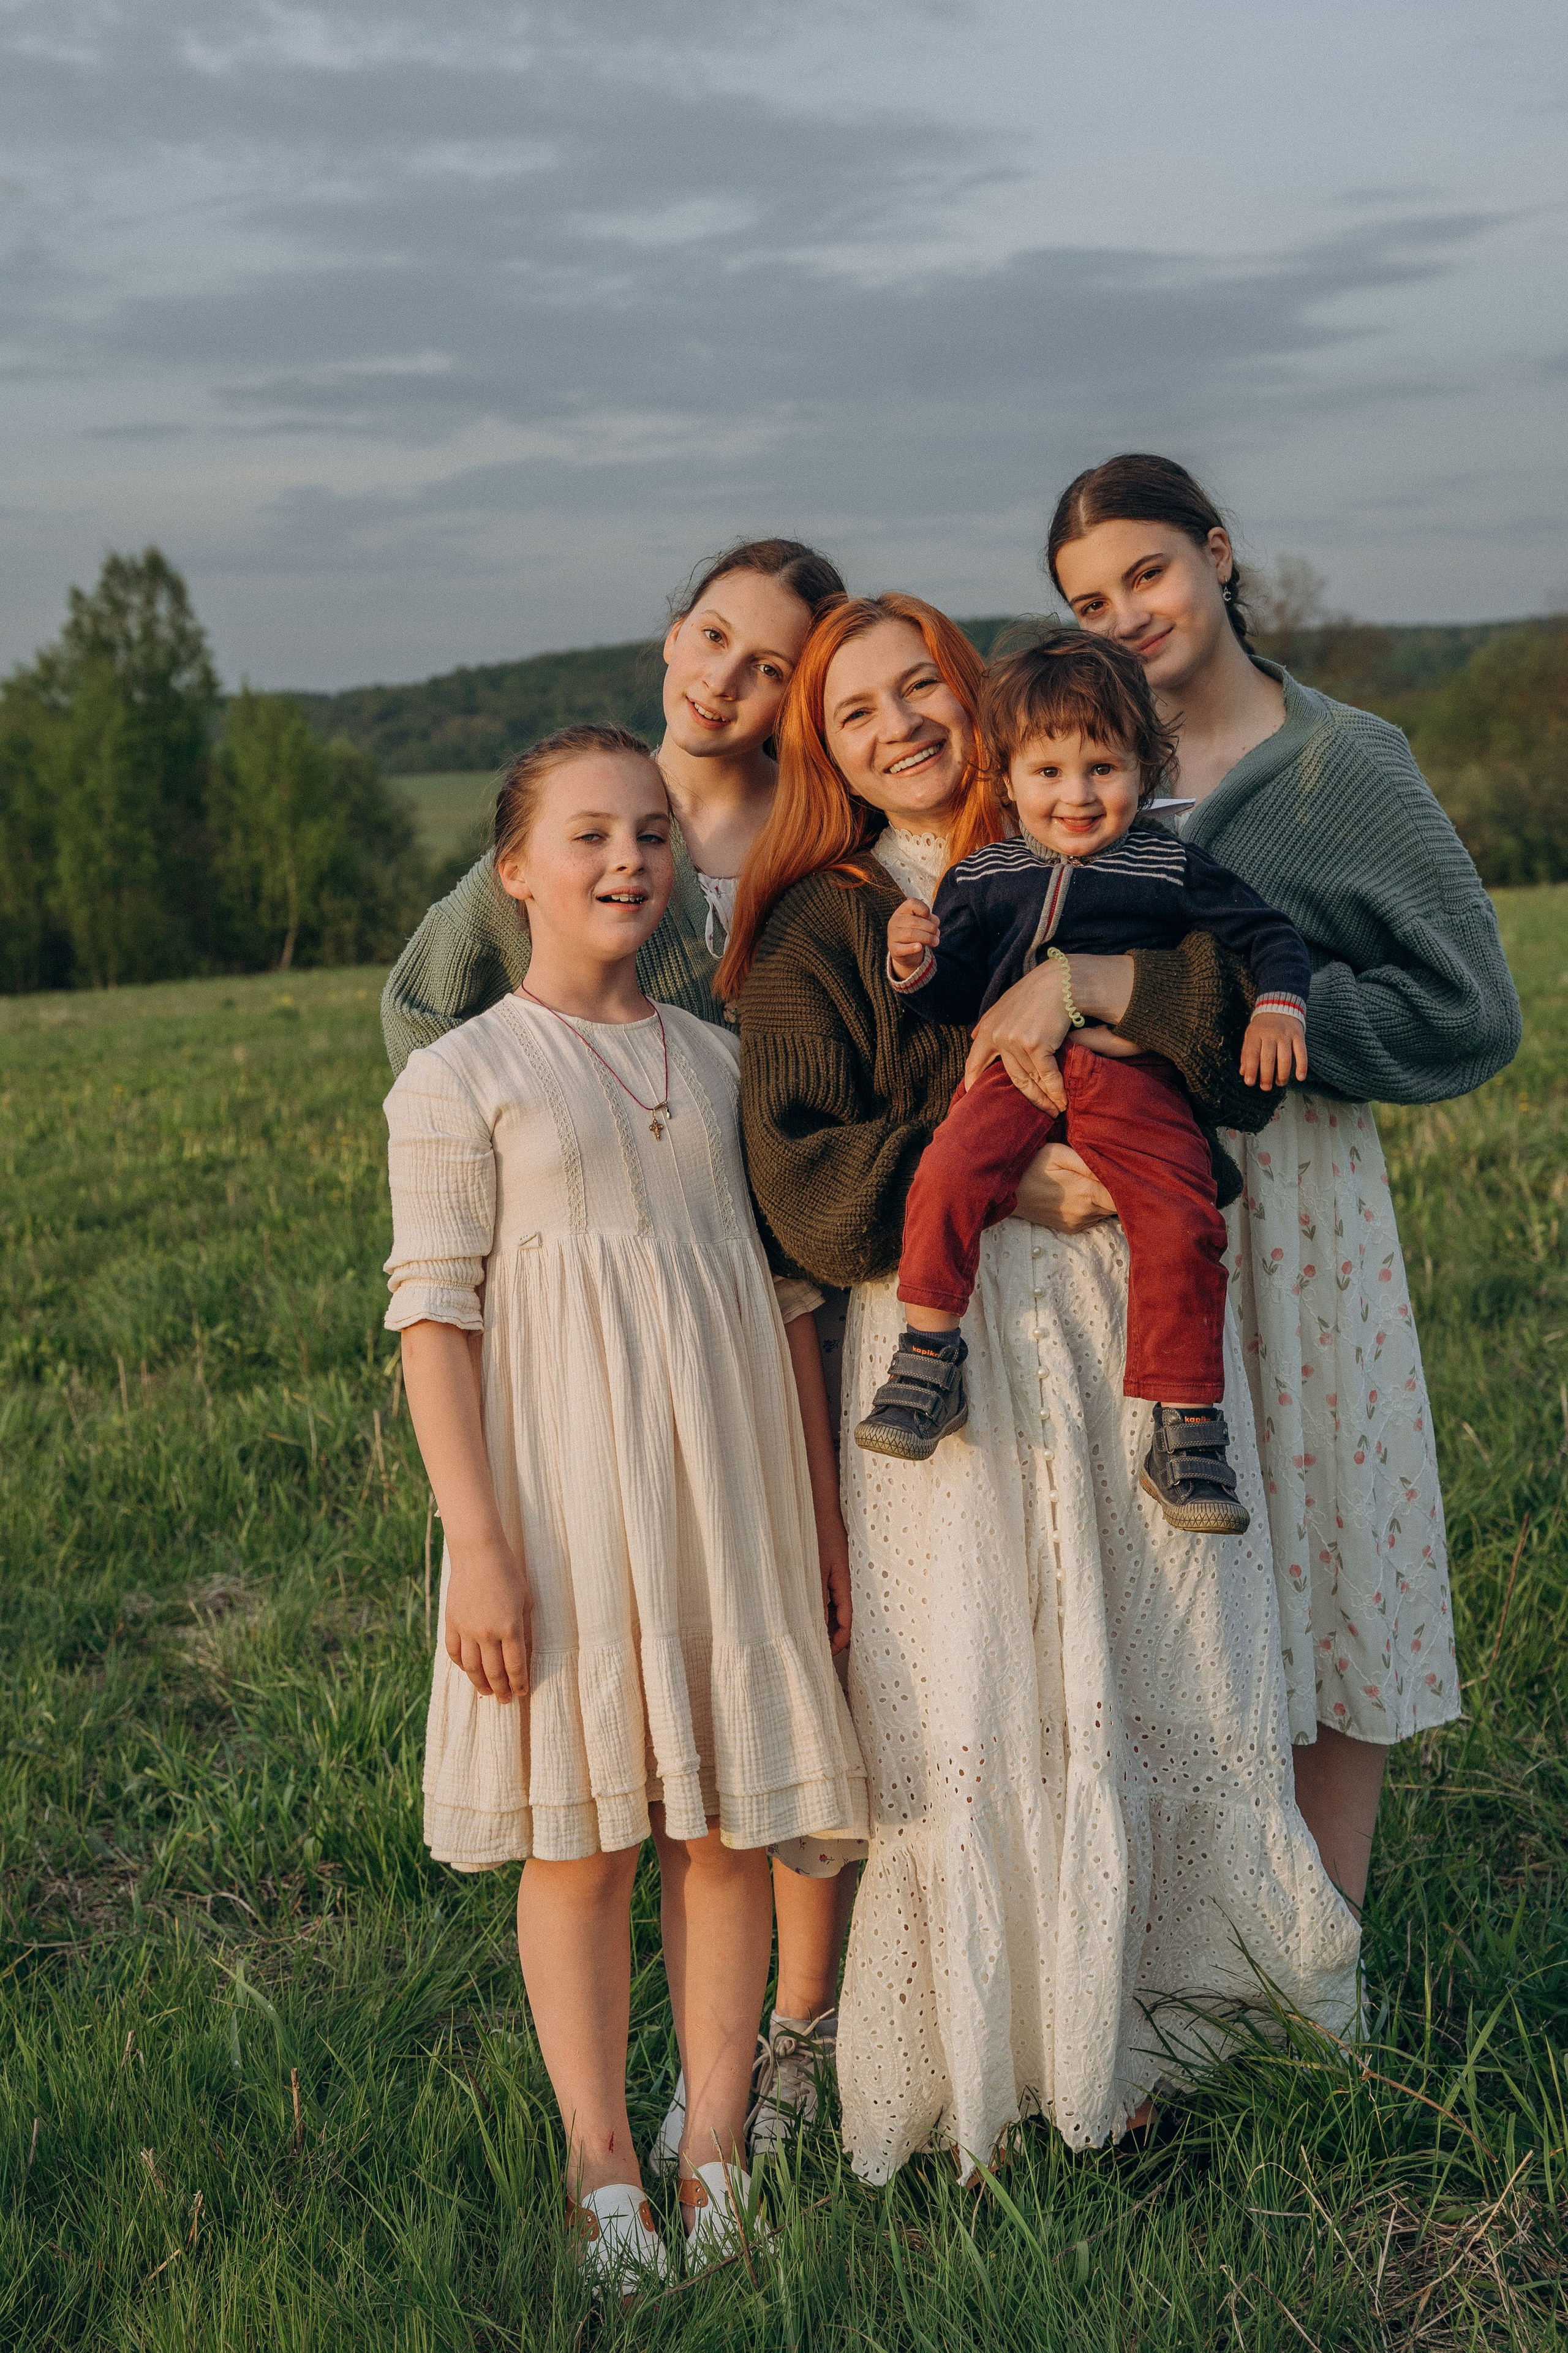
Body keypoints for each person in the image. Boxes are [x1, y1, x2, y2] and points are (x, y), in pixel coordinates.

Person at [720, 592, 1359, 2183]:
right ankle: (1001, 2066)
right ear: (828, 752)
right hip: (950, 1339)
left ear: (977, 694)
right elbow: (796, 1181)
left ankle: (1176, 2040)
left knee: (1158, 1647)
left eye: (918, 686)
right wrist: (1004, 1185)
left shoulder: (1104, 843)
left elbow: (1232, 1039)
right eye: (855, 713)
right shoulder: (824, 921)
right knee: (988, 1675)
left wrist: (1090, 995)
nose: (899, 728)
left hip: (1125, 1323)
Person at [379, 536, 859, 2162]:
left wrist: (820, 1518)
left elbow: (792, 1311)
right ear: (512, 868)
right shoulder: (462, 1079)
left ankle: (716, 2144)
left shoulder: (724, 1063)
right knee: (579, 1843)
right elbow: (433, 1321)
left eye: (651, 838)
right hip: (568, 1505)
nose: (627, 861)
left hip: (731, 1497)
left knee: (724, 1826)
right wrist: (480, 1549)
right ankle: (602, 2164)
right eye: (589, 837)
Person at [1023, 451, 1522, 1911]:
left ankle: (1321, 1957)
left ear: (1218, 552)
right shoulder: (1072, 770)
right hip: (1119, 1221)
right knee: (1169, 1584)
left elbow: (1467, 1010)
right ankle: (1177, 1950)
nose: (1124, 615)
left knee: (1322, 1541)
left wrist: (1258, 1031)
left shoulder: (1336, 765)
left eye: (1146, 574)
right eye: (1084, 600)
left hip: (1296, 1210)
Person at [862, 629, 1312, 1536]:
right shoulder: (984, 875)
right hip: (1012, 1077)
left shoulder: (1170, 864)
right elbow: (951, 999)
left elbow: (1271, 937)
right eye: (1049, 772)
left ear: (1146, 769)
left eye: (1102, 768)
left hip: (1132, 1074)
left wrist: (1278, 1008)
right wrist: (914, 962)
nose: (1076, 796)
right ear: (1007, 778)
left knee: (1183, 1218)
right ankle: (926, 1356)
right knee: (946, 1175)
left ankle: (1185, 1425)